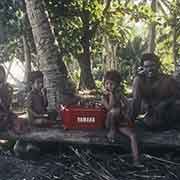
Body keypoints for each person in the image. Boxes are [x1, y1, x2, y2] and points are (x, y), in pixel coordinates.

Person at [130, 53, 180, 131]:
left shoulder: (167, 80)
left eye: (152, 66)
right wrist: (131, 121)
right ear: (142, 68)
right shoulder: (139, 80)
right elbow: (136, 101)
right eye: (146, 66)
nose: (150, 69)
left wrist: (165, 103)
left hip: (168, 111)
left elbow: (177, 96)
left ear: (158, 66)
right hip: (151, 113)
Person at [101, 70, 141, 166]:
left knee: (133, 136)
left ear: (117, 85)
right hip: (109, 122)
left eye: (112, 84)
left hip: (120, 122)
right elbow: (109, 107)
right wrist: (111, 95)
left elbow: (128, 104)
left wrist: (126, 113)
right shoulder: (104, 97)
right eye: (107, 83)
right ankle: (112, 131)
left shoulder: (119, 93)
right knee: (114, 111)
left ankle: (136, 160)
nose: (109, 86)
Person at [0, 65, 16, 131]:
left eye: (0, 73)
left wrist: (11, 92)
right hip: (2, 112)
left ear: (4, 74)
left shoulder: (7, 86)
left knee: (13, 119)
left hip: (5, 111)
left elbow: (9, 103)